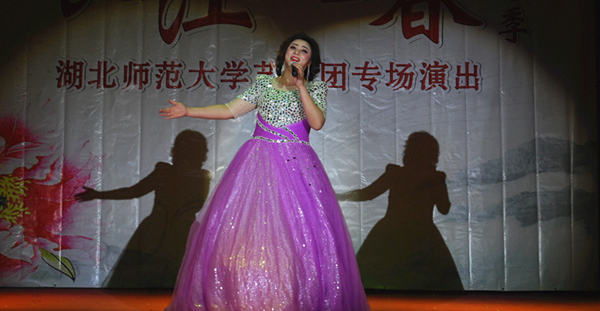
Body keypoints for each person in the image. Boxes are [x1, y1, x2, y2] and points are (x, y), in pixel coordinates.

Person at [159, 33, 370, 311]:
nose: (297, 52)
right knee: (250, 233)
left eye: (304, 50)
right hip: (257, 164)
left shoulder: (316, 88)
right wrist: (189, 111)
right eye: (293, 47)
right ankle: (246, 298)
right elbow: (229, 109)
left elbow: (317, 122)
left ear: (310, 61)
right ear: (284, 53)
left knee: (297, 236)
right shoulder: (264, 84)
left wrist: (301, 86)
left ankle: (297, 298)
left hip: (297, 167)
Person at [76, 130, 211, 288]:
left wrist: (98, 194)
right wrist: (98, 194)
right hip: (171, 233)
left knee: (157, 280)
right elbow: (134, 192)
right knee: (164, 280)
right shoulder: (187, 176)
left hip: (165, 232)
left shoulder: (181, 175)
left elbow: (133, 192)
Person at [337, 131, 463, 291]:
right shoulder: (435, 178)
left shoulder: (396, 174)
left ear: (409, 151)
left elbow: (367, 194)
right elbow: (444, 209)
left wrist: (337, 196)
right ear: (433, 154)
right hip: (423, 238)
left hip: (391, 234)